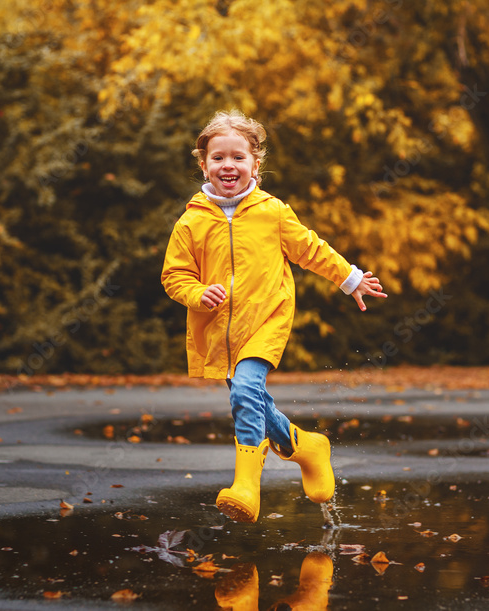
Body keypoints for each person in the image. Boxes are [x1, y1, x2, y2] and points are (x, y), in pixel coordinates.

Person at [161, 110, 387, 523]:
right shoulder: (190, 222)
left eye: (238, 157)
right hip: (219, 331)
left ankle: (246, 486)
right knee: (253, 400)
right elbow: (174, 275)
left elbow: (310, 249)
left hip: (266, 320)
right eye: (218, 158)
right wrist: (197, 293)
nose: (228, 166)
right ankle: (307, 448)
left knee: (245, 391)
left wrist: (351, 279)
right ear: (203, 163)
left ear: (255, 164)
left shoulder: (273, 212)